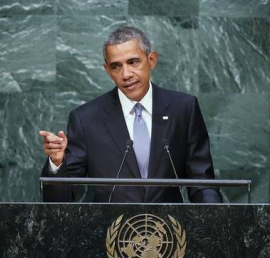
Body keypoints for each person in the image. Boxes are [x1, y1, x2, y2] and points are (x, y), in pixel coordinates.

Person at [39, 26, 222, 203]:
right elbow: (59, 201)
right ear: (108, 71)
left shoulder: (183, 108)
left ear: (151, 60)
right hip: (111, 230)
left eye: (133, 62)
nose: (126, 74)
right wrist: (57, 162)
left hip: (169, 230)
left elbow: (202, 181)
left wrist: (217, 220)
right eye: (116, 66)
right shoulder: (86, 119)